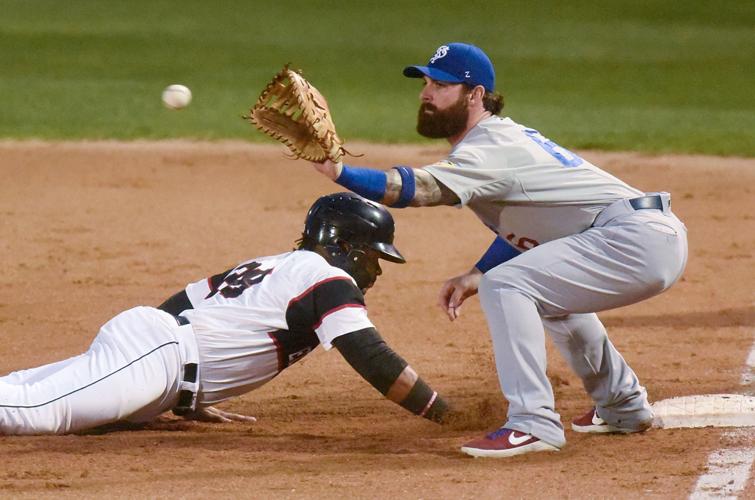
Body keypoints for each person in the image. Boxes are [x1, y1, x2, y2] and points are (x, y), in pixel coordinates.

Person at [309, 43, 688, 458]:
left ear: (475, 95)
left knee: (507, 286)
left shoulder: (490, 147)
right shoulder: (495, 140)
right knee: (545, 293)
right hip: (641, 237)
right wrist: (477, 271)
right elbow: (529, 225)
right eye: (425, 83)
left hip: (633, 239)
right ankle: (623, 406)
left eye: (441, 85)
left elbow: (414, 190)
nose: (426, 94)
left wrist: (338, 171)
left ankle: (533, 423)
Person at [0, 193, 448, 435]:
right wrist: (447, 416)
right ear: (344, 247)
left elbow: (180, 305)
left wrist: (183, 394)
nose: (375, 269)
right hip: (159, 358)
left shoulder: (279, 265)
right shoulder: (327, 279)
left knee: (23, 389)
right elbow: (369, 355)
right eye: (373, 256)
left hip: (157, 354)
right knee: (36, 411)